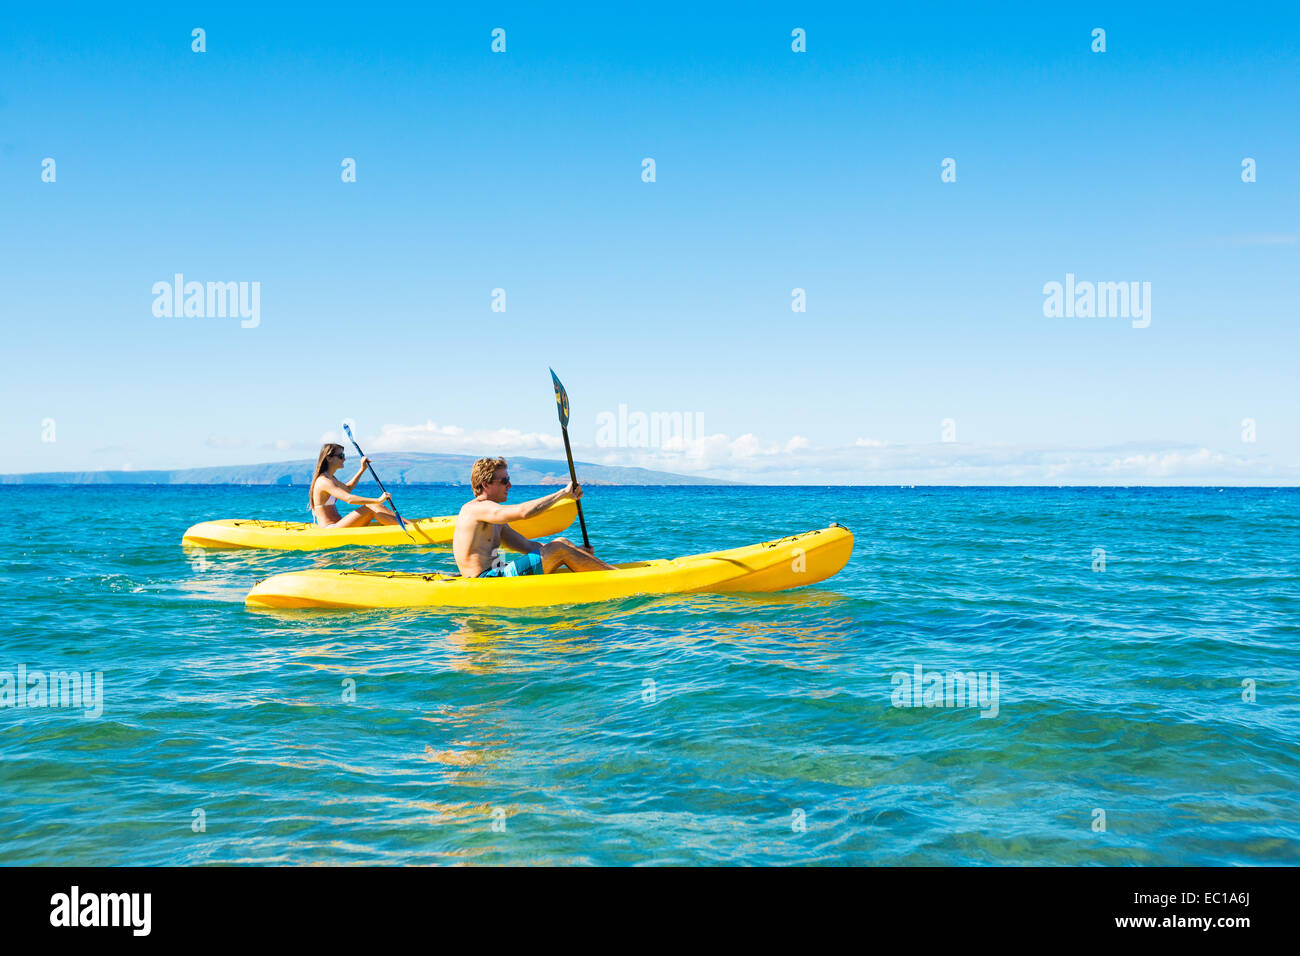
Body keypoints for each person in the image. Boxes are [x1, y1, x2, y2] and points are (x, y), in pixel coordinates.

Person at [453, 456, 616, 578]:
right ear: (485, 484)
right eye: (505, 481)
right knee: (558, 549)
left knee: (560, 543)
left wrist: (577, 551)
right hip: (485, 580)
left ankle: (607, 572)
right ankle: (615, 578)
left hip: (498, 572)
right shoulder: (476, 509)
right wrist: (563, 493)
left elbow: (527, 545)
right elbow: (524, 512)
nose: (509, 485)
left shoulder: (493, 518)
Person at [307, 442, 399, 528]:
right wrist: (378, 500)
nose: (344, 459)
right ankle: (408, 528)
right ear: (329, 458)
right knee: (373, 506)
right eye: (341, 456)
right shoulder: (324, 481)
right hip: (330, 529)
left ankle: (408, 525)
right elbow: (349, 499)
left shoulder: (331, 479)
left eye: (344, 455)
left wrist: (362, 469)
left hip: (339, 524)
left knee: (376, 506)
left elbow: (348, 489)